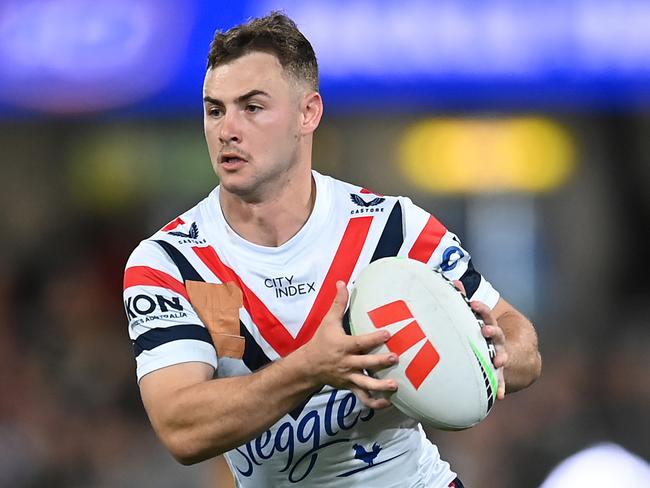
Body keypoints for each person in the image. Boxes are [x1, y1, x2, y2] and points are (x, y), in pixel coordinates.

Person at [123, 12, 542, 487]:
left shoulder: (391, 228)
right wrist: (311, 367)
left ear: (308, 113)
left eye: (252, 107)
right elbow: (181, 428)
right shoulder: (170, 261)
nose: (227, 130)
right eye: (215, 110)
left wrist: (500, 348)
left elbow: (520, 340)